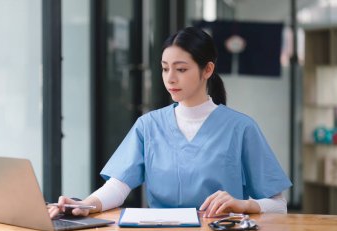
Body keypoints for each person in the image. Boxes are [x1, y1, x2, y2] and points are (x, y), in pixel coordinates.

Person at [49, 27, 292, 219]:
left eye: (181, 69)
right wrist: (85, 205)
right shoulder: (149, 126)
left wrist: (244, 205)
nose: (170, 79)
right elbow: (118, 187)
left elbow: (279, 205)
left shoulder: (241, 128)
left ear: (207, 70)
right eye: (165, 69)